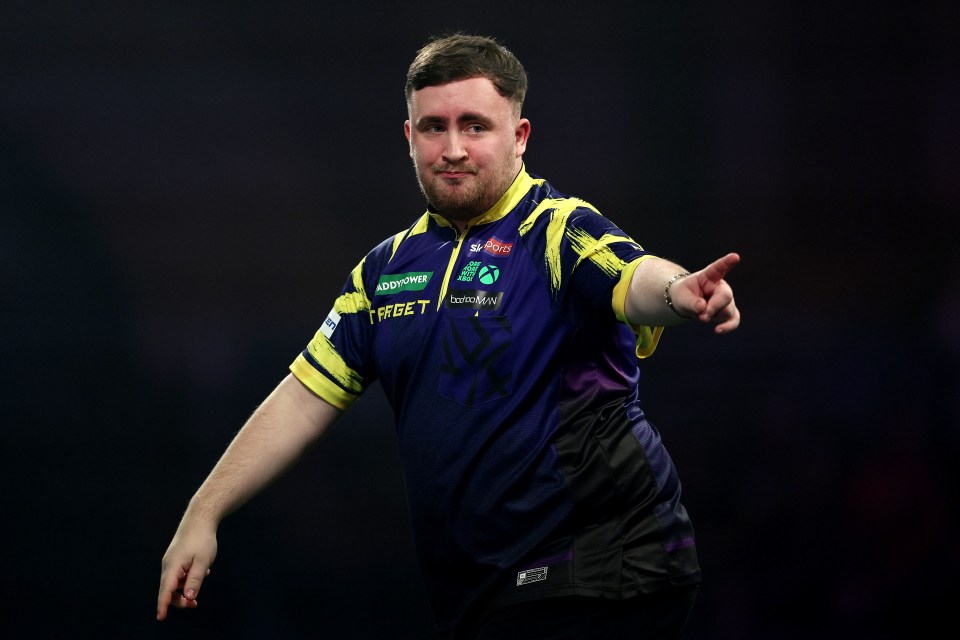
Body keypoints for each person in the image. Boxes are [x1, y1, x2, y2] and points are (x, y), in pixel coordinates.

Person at [156, 32, 741, 639]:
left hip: (603, 564)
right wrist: (204, 513)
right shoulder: (385, 270)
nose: (454, 148)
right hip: (483, 591)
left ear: (519, 137)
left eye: (475, 126)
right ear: (409, 139)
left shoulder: (557, 230)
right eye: (434, 127)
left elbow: (637, 276)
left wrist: (682, 292)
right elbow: (303, 398)